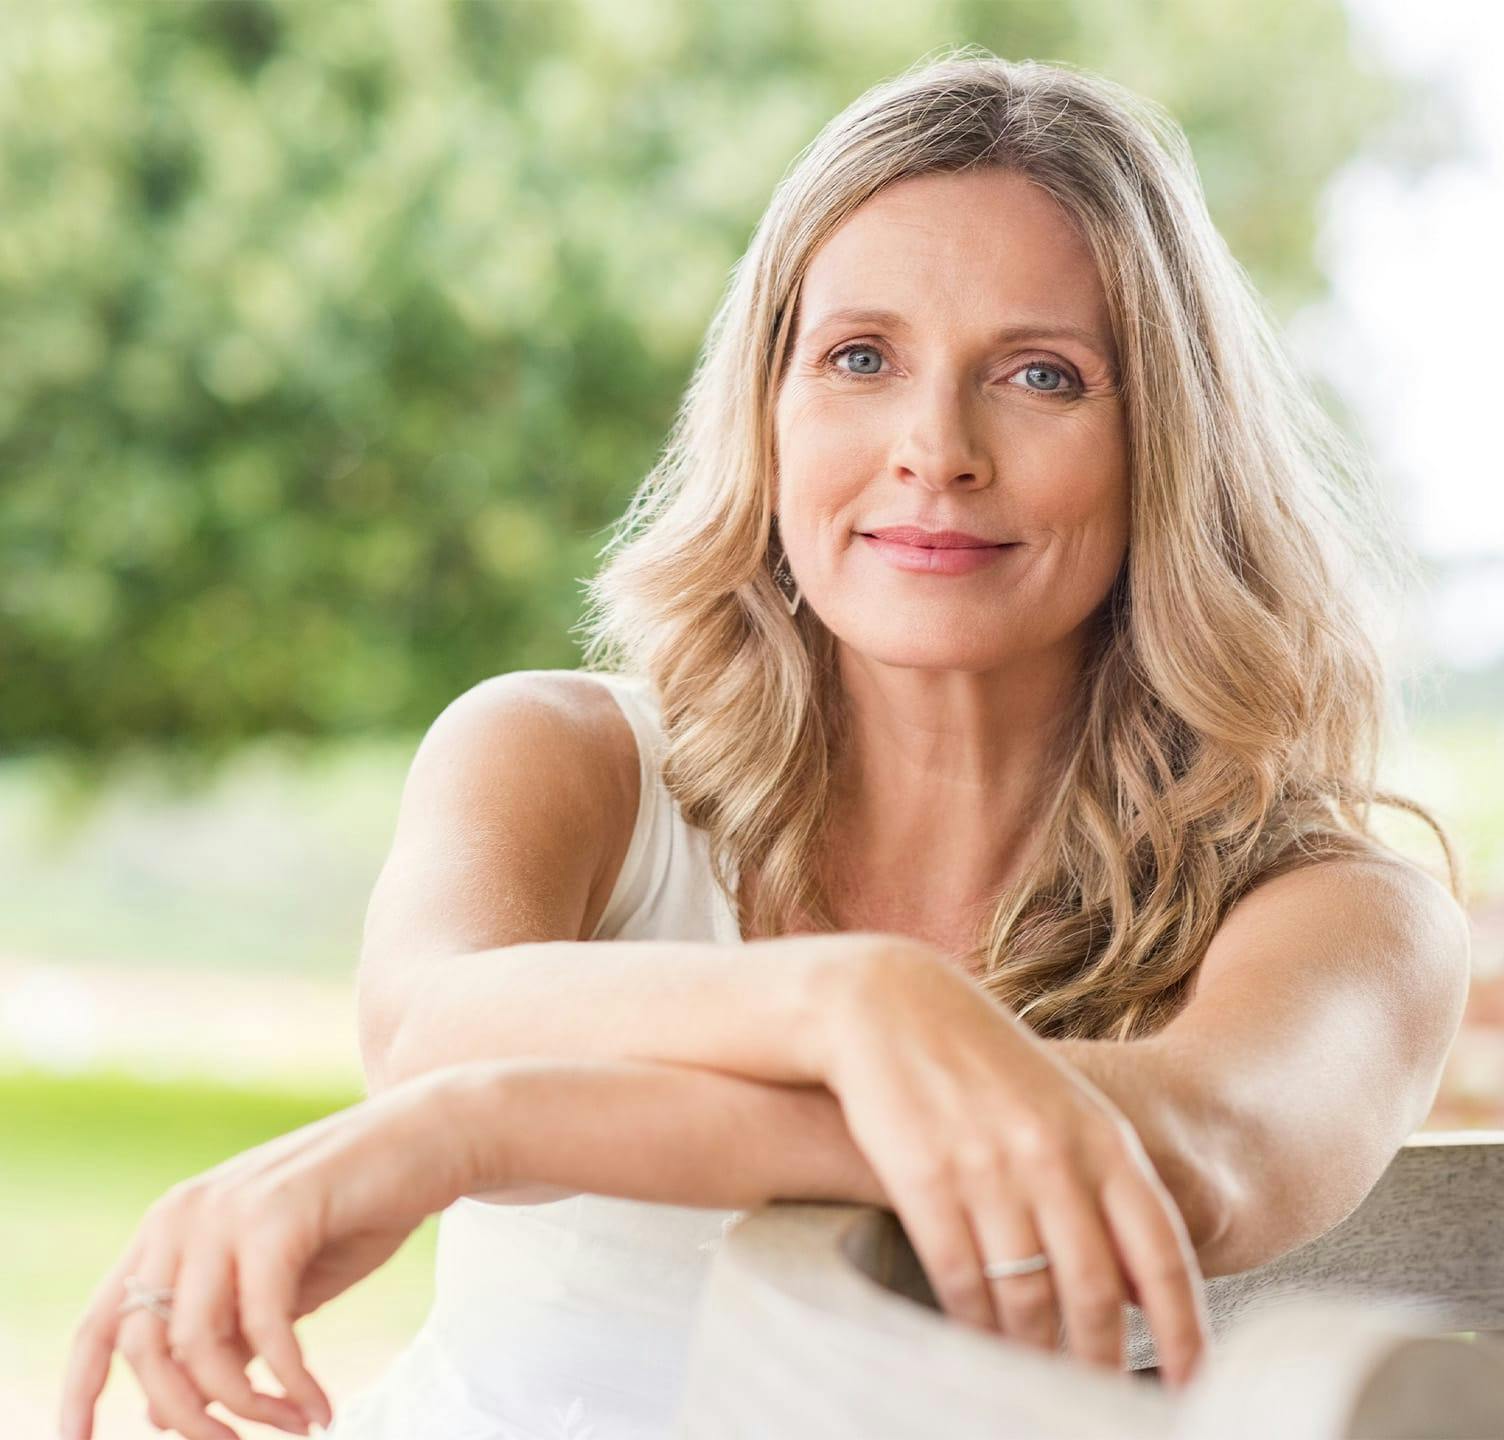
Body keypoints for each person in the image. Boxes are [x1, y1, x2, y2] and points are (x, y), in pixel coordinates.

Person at [59, 46, 1472, 1440]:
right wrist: (848, 1005)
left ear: (1170, 444)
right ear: (769, 410)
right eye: (859, 357)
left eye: (1041, 376)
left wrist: (485, 1129)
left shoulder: (1345, 909)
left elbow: (1196, 1153)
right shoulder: (561, 758)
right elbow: (429, 1025)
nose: (935, 447)